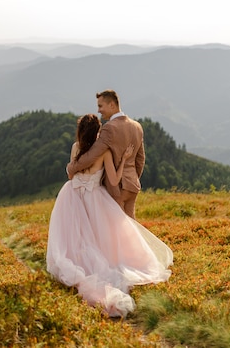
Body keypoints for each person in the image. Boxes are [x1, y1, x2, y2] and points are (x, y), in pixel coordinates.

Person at [46, 114, 172, 318]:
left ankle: (79, 265)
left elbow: (71, 173)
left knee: (77, 236)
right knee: (100, 236)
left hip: (73, 195)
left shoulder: (75, 147)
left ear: (80, 132)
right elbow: (113, 179)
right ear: (98, 132)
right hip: (95, 198)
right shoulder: (104, 151)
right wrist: (122, 160)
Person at [66, 90, 145, 219]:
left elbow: (92, 155)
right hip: (132, 185)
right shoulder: (137, 126)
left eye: (100, 106)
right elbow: (140, 159)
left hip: (118, 187)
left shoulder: (109, 128)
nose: (99, 110)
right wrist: (133, 178)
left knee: (118, 228)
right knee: (131, 226)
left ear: (112, 105)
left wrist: (71, 167)